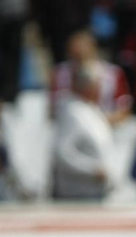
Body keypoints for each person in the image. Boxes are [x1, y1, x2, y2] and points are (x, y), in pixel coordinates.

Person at [52, 64, 115, 200]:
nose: (101, 89)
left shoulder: (92, 109)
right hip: (78, 194)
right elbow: (62, 153)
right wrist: (93, 170)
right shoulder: (72, 112)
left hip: (95, 191)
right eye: (97, 84)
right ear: (87, 87)